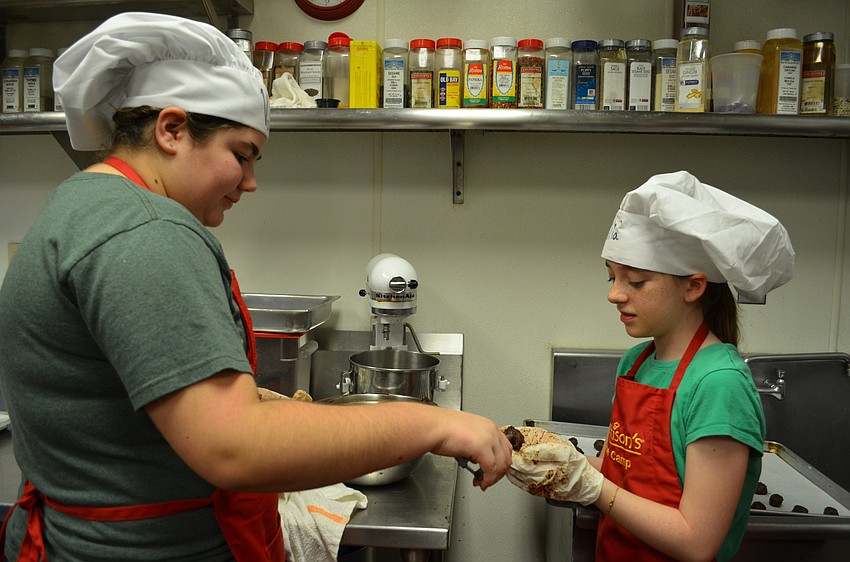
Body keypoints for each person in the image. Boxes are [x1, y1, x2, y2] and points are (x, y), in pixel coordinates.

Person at [0, 13, 512, 562]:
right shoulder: (148, 231)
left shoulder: (78, 205)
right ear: (171, 130)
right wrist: (433, 423)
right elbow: (234, 446)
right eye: (240, 154)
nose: (250, 181)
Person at [507, 171, 794, 562]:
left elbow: (697, 541)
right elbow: (622, 471)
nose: (613, 294)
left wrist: (590, 486)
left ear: (693, 287)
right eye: (612, 277)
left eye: (636, 281)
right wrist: (554, 463)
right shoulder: (636, 363)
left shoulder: (719, 385)